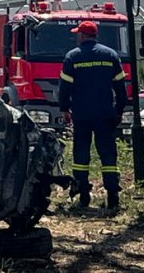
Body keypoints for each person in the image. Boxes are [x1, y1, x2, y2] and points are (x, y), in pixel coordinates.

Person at [58, 20, 129, 210]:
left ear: (82, 36)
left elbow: (65, 88)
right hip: (105, 114)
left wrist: (65, 109)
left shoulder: (72, 57)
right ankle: (113, 197)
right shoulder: (110, 55)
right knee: (108, 156)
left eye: (77, 34)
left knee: (81, 155)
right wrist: (120, 110)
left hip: (81, 115)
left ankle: (83, 196)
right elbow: (121, 88)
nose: (76, 37)